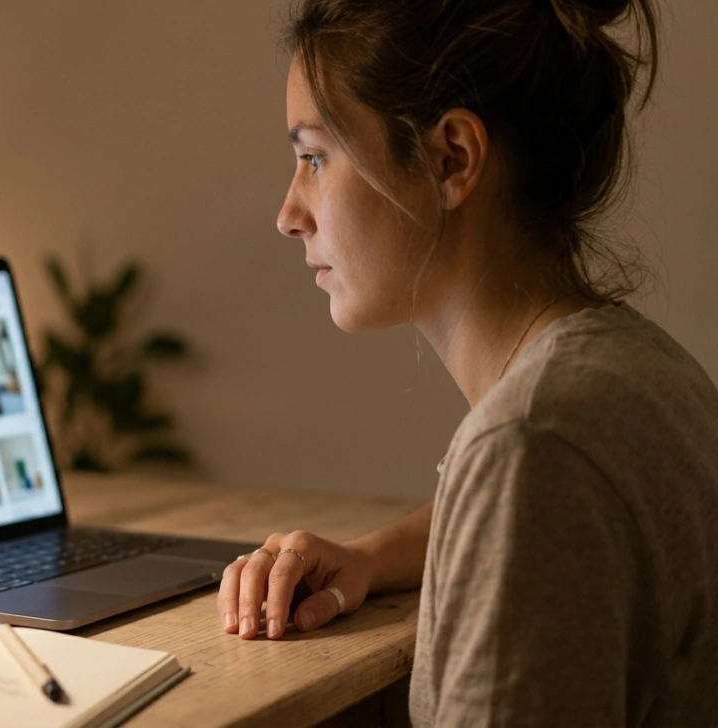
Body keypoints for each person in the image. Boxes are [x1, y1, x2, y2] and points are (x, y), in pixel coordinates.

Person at [217, 0, 718, 725]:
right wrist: (369, 558)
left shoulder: (533, 445)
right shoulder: (631, 370)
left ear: (451, 157)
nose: (289, 212)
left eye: (315, 158)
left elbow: (525, 478)